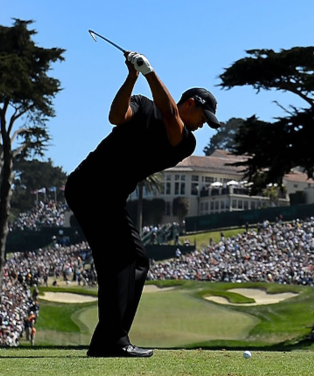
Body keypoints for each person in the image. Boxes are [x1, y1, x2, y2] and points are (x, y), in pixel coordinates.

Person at [65, 51, 221, 358]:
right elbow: (115, 116)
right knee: (129, 260)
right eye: (203, 117)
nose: (203, 124)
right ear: (192, 103)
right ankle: (112, 341)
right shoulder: (142, 104)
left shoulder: (185, 140)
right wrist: (133, 76)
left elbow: (169, 116)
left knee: (130, 261)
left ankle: (108, 341)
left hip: (106, 198)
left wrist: (150, 72)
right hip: (88, 188)